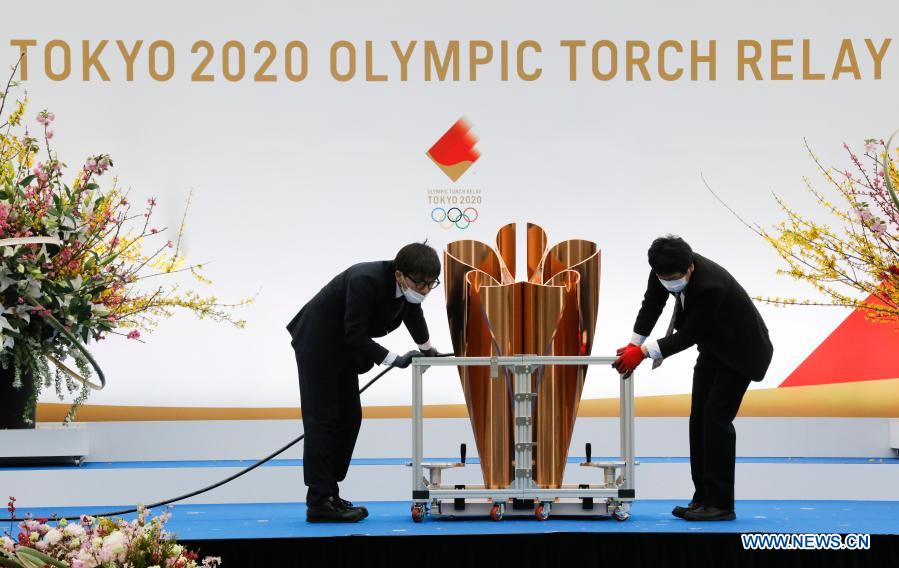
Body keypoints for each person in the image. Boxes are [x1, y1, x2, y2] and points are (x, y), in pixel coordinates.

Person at [612, 235, 773, 521]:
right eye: (665, 277)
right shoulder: (661, 270)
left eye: (676, 277)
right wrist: (634, 343)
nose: (670, 282)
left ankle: (721, 504)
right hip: (713, 348)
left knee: (715, 420)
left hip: (742, 352)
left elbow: (689, 334)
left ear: (690, 268)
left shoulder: (710, 285)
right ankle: (703, 498)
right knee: (698, 418)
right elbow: (652, 305)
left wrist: (644, 353)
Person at [286, 242, 445, 523]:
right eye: (420, 283)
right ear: (399, 275)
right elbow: (355, 335)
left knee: (350, 418)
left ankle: (329, 492)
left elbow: (413, 313)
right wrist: (395, 359)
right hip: (318, 344)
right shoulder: (365, 280)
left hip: (343, 350)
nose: (424, 290)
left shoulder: (409, 291)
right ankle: (319, 501)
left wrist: (428, 349)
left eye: (431, 284)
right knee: (322, 421)